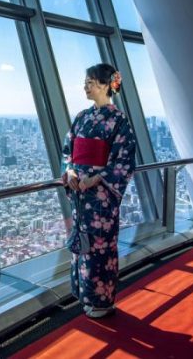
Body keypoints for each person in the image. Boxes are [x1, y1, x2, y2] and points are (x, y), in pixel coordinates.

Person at [61, 63, 137, 319]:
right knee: (82, 245)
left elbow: (124, 160)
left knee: (100, 247)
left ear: (106, 85)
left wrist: (98, 178)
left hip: (101, 198)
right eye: (86, 82)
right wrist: (70, 170)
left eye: (91, 82)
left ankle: (102, 301)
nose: (86, 86)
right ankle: (85, 295)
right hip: (80, 194)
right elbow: (68, 150)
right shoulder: (82, 117)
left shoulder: (119, 120)